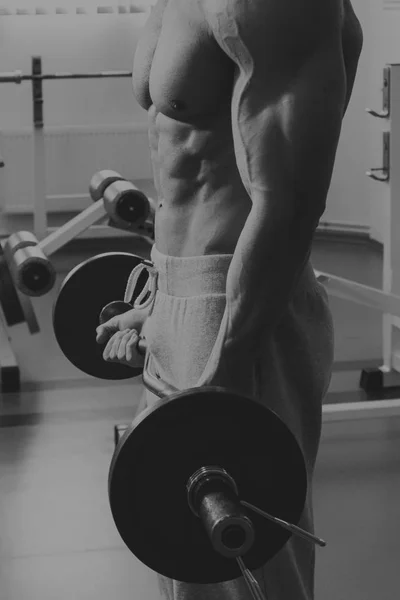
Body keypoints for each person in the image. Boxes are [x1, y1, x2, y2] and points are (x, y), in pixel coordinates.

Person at [96, 0, 363, 598]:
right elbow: (187, 162)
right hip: (187, 293)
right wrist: (163, 297)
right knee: (188, 562)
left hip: (239, 310)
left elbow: (289, 203)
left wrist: (232, 359)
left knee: (249, 570)